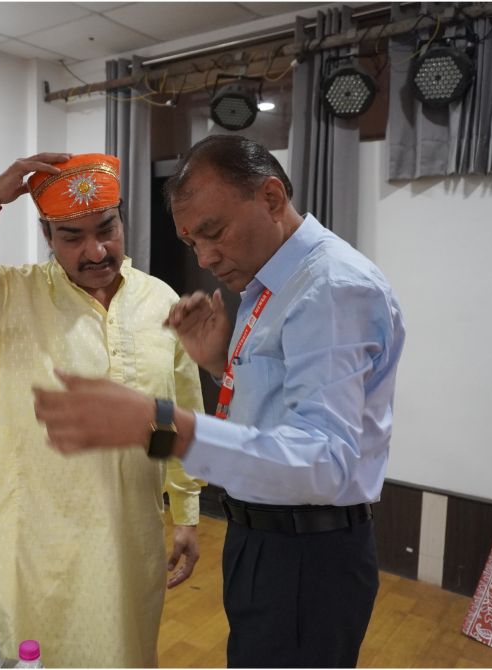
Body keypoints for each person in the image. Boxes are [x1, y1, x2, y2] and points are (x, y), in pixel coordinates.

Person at [32, 135, 406, 668]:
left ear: (271, 198)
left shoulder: (331, 287)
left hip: (307, 551)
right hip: (263, 535)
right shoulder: (271, 283)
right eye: (191, 242)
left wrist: (164, 426)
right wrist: (218, 365)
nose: (206, 258)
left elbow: (326, 460)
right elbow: (279, 413)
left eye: (214, 232)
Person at [0, 153, 205, 667]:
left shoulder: (159, 301)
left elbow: (172, 414)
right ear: (47, 237)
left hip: (130, 544)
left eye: (106, 229)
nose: (95, 251)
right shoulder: (8, 296)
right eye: (72, 236)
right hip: (33, 554)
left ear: (122, 221)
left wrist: (186, 512)